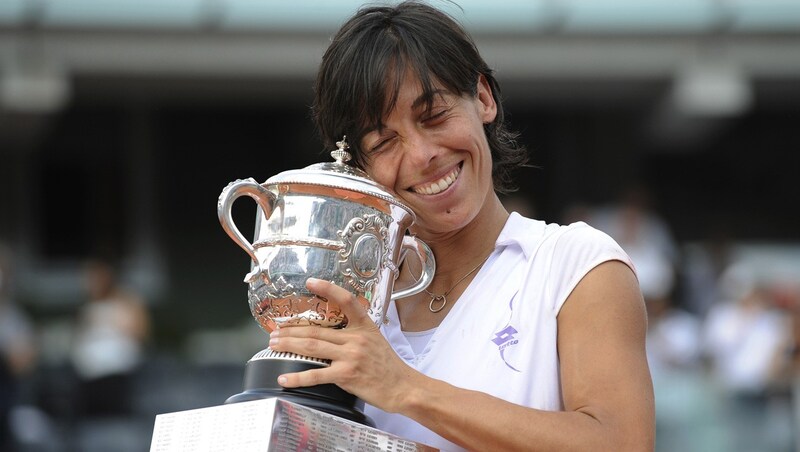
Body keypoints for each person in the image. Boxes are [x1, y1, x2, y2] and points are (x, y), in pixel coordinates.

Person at [267, 2, 655, 450]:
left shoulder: (576, 265)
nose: (421, 155)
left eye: (433, 116)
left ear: (484, 99)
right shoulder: (344, 304)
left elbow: (622, 442)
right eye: (383, 141)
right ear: (358, 166)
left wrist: (408, 389)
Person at [69, 257, 150, 417]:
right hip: (87, 377)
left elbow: (141, 333)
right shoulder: (86, 308)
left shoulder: (127, 302)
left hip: (116, 378)